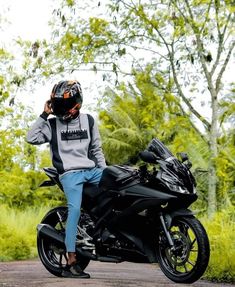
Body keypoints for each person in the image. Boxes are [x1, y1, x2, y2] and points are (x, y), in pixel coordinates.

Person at [26, 80, 106, 278]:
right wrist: (45, 114)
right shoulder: (52, 124)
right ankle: (71, 261)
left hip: (92, 170)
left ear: (77, 103)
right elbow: (31, 137)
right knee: (75, 209)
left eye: (64, 105)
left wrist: (106, 173)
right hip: (70, 174)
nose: (61, 110)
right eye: (57, 105)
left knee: (120, 186)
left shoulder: (89, 121)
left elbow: (96, 150)